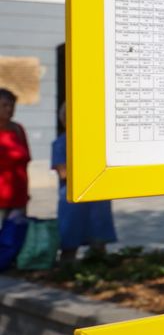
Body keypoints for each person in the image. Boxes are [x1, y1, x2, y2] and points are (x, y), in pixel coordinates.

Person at [52, 103, 117, 262]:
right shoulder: (61, 143)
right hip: (73, 198)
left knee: (99, 240)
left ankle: (98, 271)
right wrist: (90, 169)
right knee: (69, 240)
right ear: (64, 120)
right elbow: (64, 173)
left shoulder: (95, 140)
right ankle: (66, 272)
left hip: (97, 196)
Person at [0, 88, 31, 223]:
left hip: (18, 198)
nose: (9, 109)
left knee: (15, 240)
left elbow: (26, 159)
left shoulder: (18, 129)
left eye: (12, 106)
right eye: (4, 105)